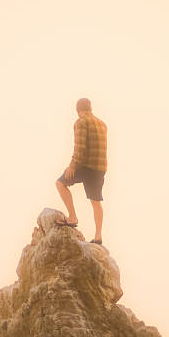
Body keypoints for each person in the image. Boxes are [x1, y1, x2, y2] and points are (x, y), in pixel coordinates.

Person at [55, 98, 107, 245]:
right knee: (96, 200)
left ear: (78, 110)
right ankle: (98, 236)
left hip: (85, 165)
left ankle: (72, 217)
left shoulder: (81, 122)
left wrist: (72, 166)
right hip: (100, 167)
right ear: (90, 108)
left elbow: (80, 147)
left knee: (60, 183)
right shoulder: (102, 124)